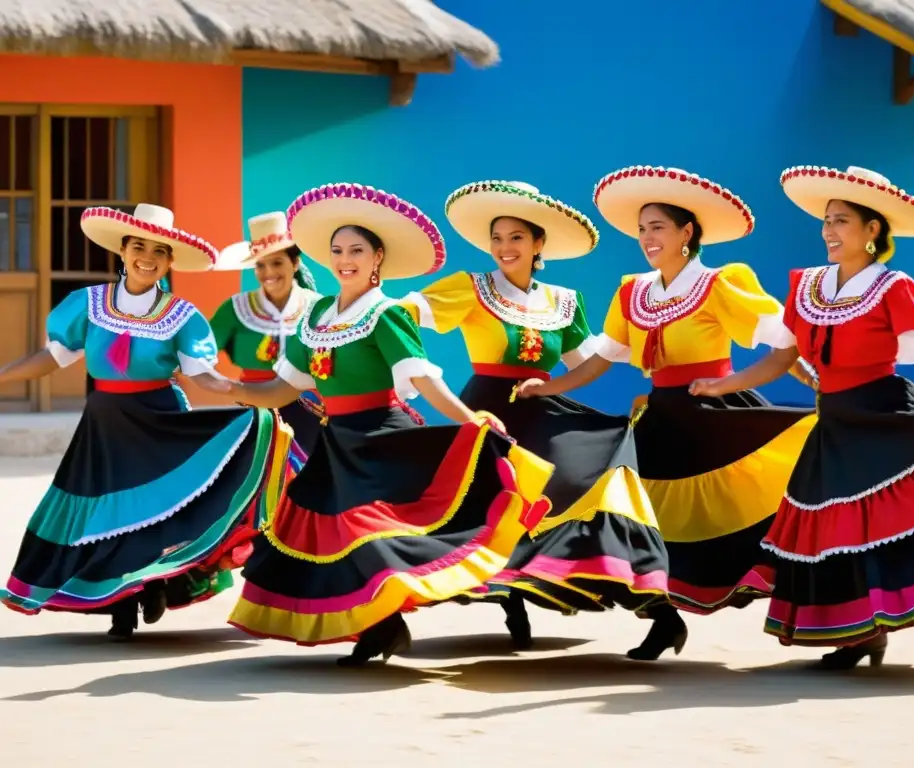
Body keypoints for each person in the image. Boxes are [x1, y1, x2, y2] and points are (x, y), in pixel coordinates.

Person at [688, 164, 914, 669]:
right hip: (837, 424)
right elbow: (783, 358)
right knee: (835, 529)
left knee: (886, 520)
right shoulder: (807, 286)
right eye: (826, 220)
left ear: (872, 231)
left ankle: (874, 627)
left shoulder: (893, 286)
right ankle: (862, 634)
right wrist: (723, 384)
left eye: (841, 220)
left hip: (884, 415)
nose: (829, 230)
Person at [225, 182, 555, 666]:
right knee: (316, 531)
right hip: (337, 443)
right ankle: (383, 628)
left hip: (384, 436)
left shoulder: (386, 314)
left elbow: (420, 379)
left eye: (356, 250)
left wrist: (470, 420)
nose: (345, 259)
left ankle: (508, 597)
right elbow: (283, 389)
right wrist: (226, 388)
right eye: (337, 251)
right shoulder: (315, 315)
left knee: (384, 532)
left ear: (377, 256)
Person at [517, 165, 816, 660]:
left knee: (769, 524)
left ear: (687, 232)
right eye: (641, 229)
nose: (646, 238)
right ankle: (664, 622)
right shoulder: (633, 292)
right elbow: (602, 359)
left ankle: (844, 622)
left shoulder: (722, 283)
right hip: (661, 423)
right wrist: (547, 388)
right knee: (644, 526)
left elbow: (785, 342)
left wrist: (816, 383)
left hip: (719, 422)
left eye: (657, 227)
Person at [0, 204, 293, 640]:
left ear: (170, 260)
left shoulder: (182, 315)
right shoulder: (87, 304)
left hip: (159, 420)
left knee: (157, 512)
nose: (147, 256)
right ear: (122, 250)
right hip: (105, 424)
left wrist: (252, 397)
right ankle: (119, 606)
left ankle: (151, 585)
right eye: (139, 246)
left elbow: (203, 375)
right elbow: (53, 357)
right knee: (107, 510)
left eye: (160, 250)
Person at [402, 180, 670, 651]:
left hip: (540, 411)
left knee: (595, 472)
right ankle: (510, 601)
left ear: (538, 243)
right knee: (486, 509)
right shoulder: (469, 288)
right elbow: (404, 315)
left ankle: (655, 608)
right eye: (497, 238)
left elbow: (586, 361)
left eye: (517, 238)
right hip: (487, 412)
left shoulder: (564, 302)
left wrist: (652, 353)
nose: (505, 248)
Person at [210, 211, 325, 461]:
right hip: (255, 409)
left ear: (295, 263)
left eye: (277, 263)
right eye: (260, 265)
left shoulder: (319, 308)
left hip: (309, 410)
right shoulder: (235, 309)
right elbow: (198, 354)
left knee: (307, 480)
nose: (268, 272)